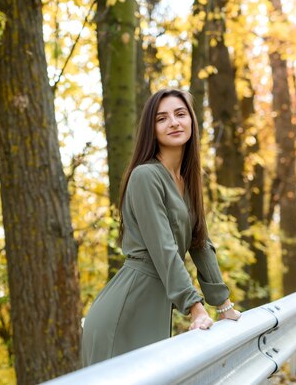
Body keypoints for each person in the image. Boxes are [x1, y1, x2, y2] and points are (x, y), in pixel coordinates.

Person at [81, 88, 241, 366]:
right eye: (162, 118)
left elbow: (200, 243)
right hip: (126, 310)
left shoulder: (186, 180)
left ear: (191, 119)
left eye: (180, 114)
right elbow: (163, 247)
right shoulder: (145, 176)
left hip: (153, 307)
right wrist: (195, 308)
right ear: (151, 130)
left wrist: (223, 304)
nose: (174, 123)